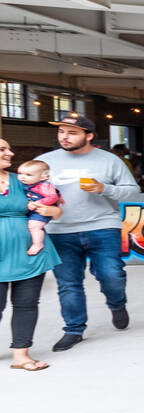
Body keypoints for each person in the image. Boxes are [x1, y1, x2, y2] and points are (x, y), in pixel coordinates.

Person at [37, 113, 140, 352]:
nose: (64, 136)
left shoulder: (109, 161)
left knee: (111, 275)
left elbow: (132, 191)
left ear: (89, 135)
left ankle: (117, 303)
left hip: (102, 225)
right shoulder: (45, 160)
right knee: (68, 283)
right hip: (60, 230)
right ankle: (74, 329)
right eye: (61, 131)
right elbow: (30, 189)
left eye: (72, 132)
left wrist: (104, 188)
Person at [0, 138, 63, 371]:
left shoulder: (25, 181)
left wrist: (53, 210)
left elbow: (56, 208)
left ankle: (21, 355)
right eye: (2, 149)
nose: (10, 152)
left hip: (28, 252)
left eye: (8, 147)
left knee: (26, 304)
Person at [15, 160, 62, 256]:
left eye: (28, 175)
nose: (22, 177)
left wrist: (37, 203)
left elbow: (52, 197)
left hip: (41, 210)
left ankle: (38, 244)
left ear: (43, 177)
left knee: (34, 227)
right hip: (32, 210)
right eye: (20, 173)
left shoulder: (44, 186)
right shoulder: (25, 185)